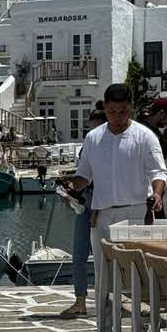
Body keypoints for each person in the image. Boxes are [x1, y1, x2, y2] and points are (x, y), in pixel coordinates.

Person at [72, 83, 167, 304]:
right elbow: (84, 175)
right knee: (103, 274)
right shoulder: (93, 138)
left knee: (139, 274)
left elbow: (158, 171)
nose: (117, 116)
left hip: (136, 214)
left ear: (131, 107)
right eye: (112, 111)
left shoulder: (145, 136)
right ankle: (103, 323)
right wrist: (70, 186)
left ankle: (142, 323)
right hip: (103, 215)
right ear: (105, 108)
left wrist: (157, 194)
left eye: (122, 111)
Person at [57, 108, 108, 317]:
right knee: (79, 254)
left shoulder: (108, 148)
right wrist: (69, 192)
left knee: (105, 256)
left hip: (102, 202)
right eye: (90, 128)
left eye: (96, 128)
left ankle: (109, 300)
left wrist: (97, 207)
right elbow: (83, 175)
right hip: (84, 201)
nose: (92, 132)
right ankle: (80, 301)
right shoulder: (88, 146)